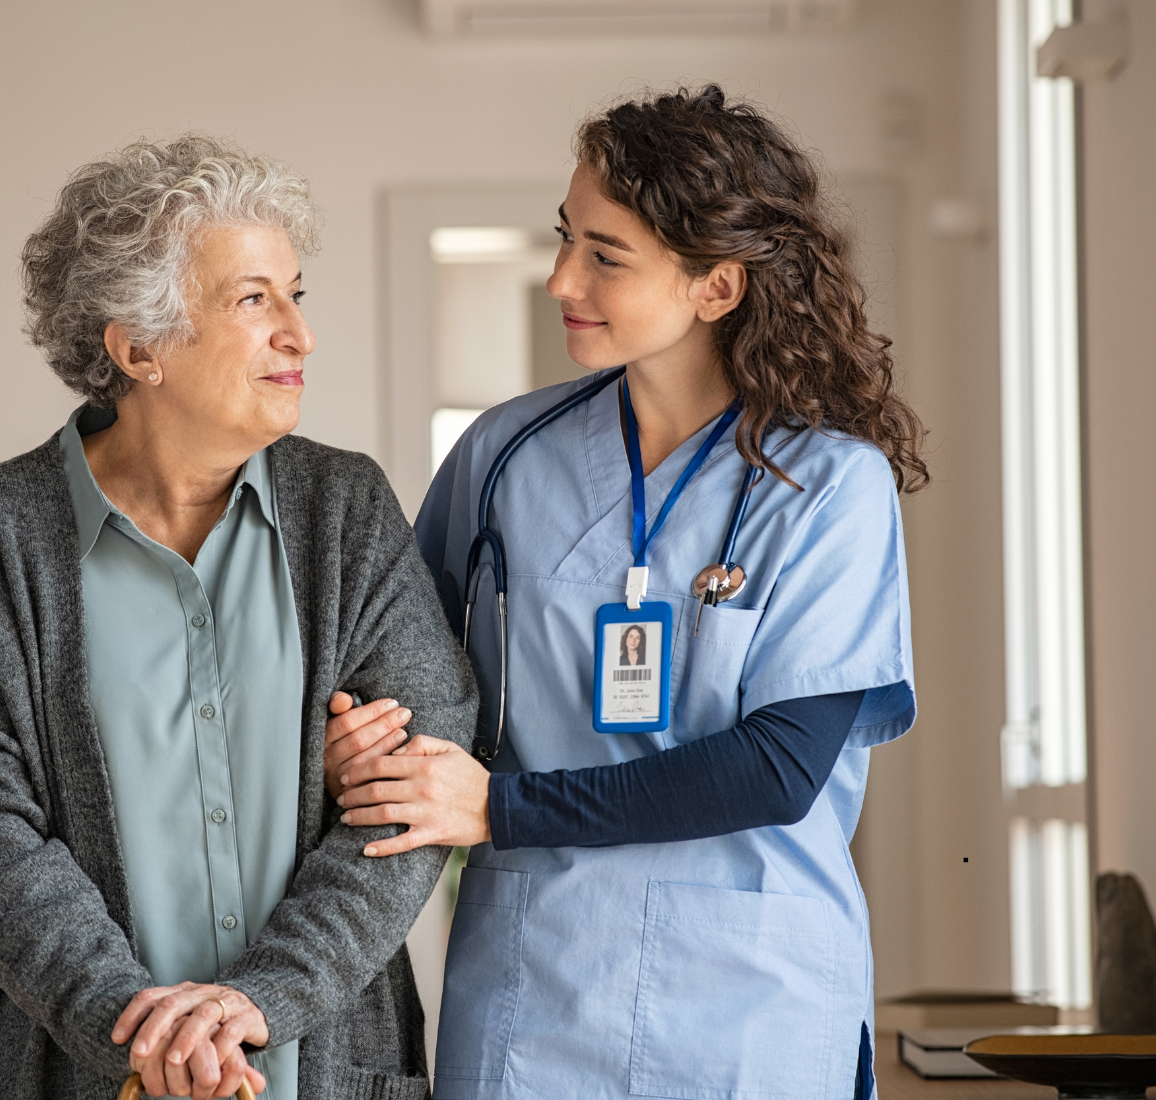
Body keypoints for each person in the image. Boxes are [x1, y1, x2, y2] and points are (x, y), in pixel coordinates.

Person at [328, 86, 924, 1099]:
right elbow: (400, 671)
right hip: (536, 988)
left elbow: (778, 766)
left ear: (716, 286)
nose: (560, 276)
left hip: (751, 1000)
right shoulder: (501, 456)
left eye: (606, 255)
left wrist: (498, 808)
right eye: (567, 238)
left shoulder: (828, 486)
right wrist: (364, 736)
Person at [0, 136, 475, 1100]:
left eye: (297, 294)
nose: (300, 334)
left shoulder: (346, 510)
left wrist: (261, 1002)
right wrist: (142, 1034)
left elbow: (417, 786)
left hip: (322, 1069)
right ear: (137, 347)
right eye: (254, 300)